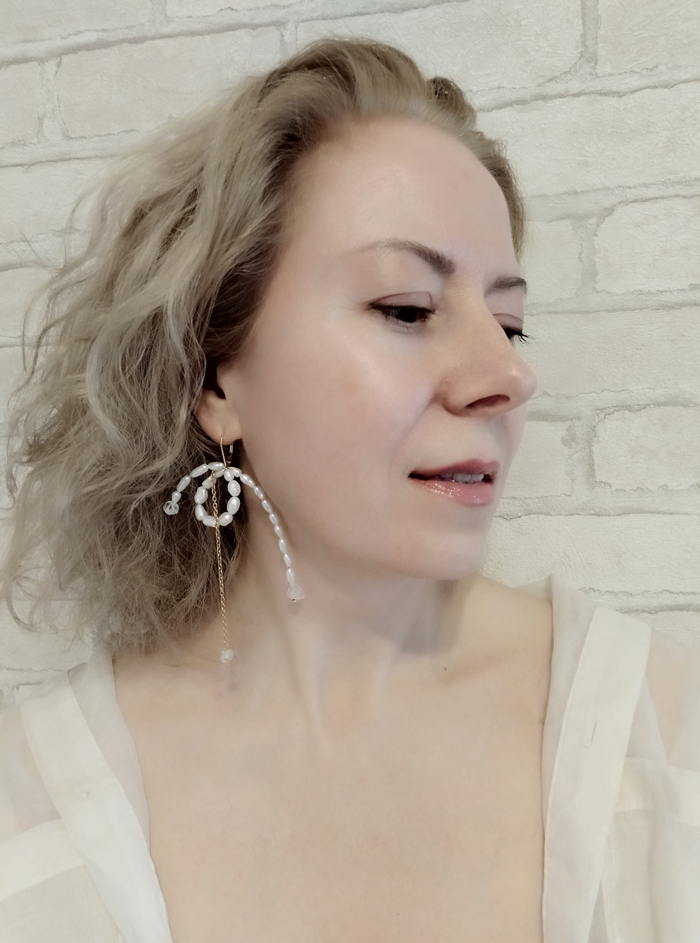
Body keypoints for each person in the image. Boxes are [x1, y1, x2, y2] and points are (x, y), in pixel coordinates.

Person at [0, 36, 698, 943]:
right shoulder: (33, 817)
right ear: (215, 381)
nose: (507, 375)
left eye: (510, 323)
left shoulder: (664, 739)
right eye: (407, 309)